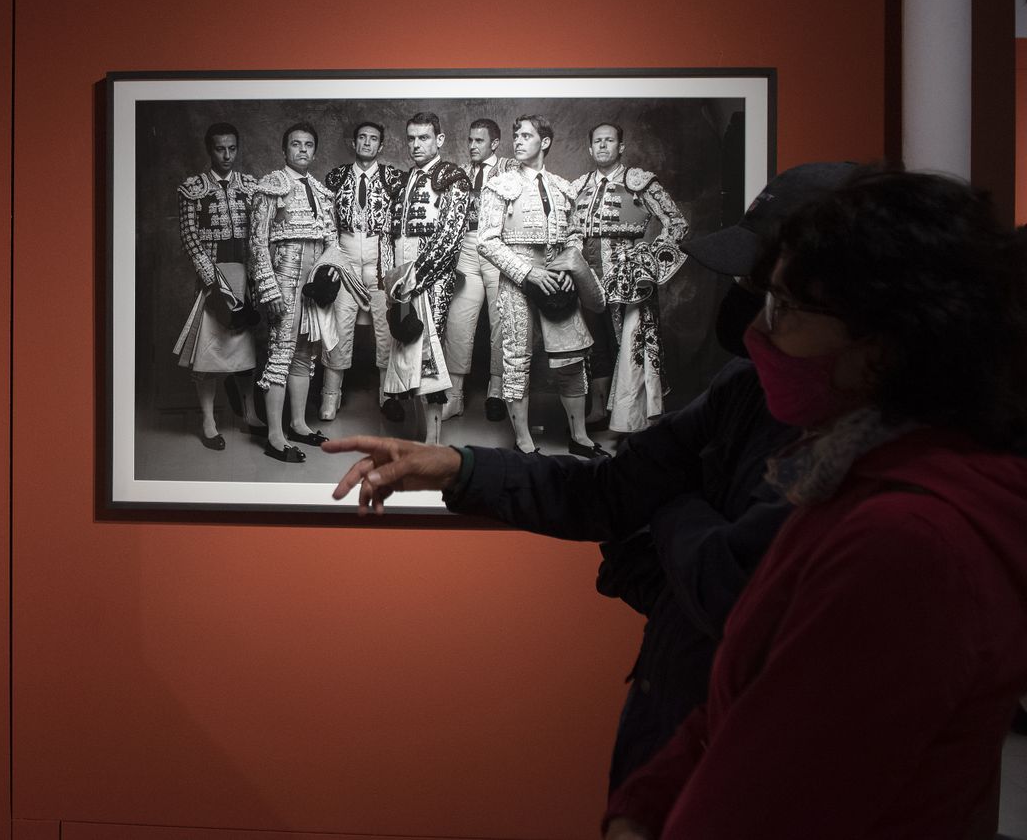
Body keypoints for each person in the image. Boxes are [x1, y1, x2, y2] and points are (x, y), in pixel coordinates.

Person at [321, 162, 858, 795]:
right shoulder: (745, 390)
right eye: (755, 292)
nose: (759, 323)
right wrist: (456, 467)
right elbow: (609, 492)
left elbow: (730, 586)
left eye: (783, 301)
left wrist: (669, 511)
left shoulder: (903, 484)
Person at [600, 169, 1027, 839]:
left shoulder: (907, 542)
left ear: (878, 350)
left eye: (788, 309)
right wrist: (641, 805)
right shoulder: (851, 481)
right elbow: (735, 710)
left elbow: (773, 796)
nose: (761, 334)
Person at [479, 115, 602, 455]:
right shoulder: (499, 184)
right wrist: (528, 273)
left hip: (558, 281)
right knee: (516, 358)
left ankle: (579, 437)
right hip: (519, 280)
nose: (517, 141)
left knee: (571, 359)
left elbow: (575, 234)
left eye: (526, 135)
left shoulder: (563, 187)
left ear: (544, 142)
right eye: (516, 135)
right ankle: (524, 441)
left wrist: (569, 266)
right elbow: (487, 242)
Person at [567, 123, 689, 434]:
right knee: (593, 343)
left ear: (621, 146)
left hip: (628, 274)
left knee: (629, 340)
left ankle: (633, 413)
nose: (603, 146)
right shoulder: (579, 186)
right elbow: (567, 229)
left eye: (609, 141)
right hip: (586, 271)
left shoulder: (640, 182)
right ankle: (598, 409)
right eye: (598, 142)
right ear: (590, 149)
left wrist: (649, 262)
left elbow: (676, 223)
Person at [381, 111, 473, 444]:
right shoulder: (404, 180)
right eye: (411, 138)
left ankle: (433, 441)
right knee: (407, 348)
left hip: (431, 281)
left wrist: (415, 277)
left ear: (440, 140)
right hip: (402, 281)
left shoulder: (453, 178)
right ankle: (422, 435)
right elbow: (389, 233)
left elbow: (450, 237)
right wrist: (391, 278)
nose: (416, 144)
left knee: (428, 354)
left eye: (423, 138)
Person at [248, 122, 337, 462]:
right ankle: (274, 435)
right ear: (284, 150)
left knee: (305, 354)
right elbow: (257, 241)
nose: (303, 150)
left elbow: (330, 240)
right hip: (284, 278)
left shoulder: (320, 190)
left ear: (315, 151)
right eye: (296, 144)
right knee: (281, 354)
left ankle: (298, 423)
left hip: (313, 284)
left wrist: (329, 279)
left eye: (309, 145)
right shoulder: (271, 185)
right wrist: (268, 287)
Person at [172, 122, 262, 449]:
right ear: (209, 150)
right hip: (213, 277)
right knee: (209, 354)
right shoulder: (193, 188)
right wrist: (211, 280)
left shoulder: (251, 187)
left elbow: (258, 234)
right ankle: (208, 420)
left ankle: (250, 413)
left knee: (245, 351)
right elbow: (190, 237)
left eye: (232, 148)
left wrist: (254, 276)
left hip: (243, 276)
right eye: (220, 149)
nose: (227, 155)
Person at [315, 121, 406, 421]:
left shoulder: (395, 178)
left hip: (382, 258)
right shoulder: (336, 177)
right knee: (339, 326)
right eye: (362, 138)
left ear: (381, 146)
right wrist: (332, 259)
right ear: (354, 144)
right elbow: (326, 222)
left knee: (386, 328)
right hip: (347, 254)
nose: (367, 143)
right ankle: (331, 396)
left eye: (374, 139)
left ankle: (388, 395)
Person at [444, 117, 517, 422]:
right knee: (458, 322)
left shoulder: (510, 170)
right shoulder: (460, 172)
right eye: (471, 140)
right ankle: (455, 396)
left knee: (500, 322)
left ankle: (496, 391)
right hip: (466, 247)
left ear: (495, 144)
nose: (472, 146)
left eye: (479, 141)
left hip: (497, 247)